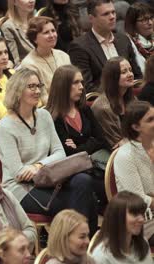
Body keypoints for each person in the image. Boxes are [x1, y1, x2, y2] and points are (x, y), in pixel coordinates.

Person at [0, 68, 98, 235]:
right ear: (17, 91)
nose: (37, 91)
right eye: (31, 87)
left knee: (84, 182)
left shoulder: (44, 115)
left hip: (49, 178)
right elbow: (18, 173)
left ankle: (84, 244)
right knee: (72, 202)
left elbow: (60, 153)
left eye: (38, 86)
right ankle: (71, 245)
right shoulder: (6, 127)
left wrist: (37, 166)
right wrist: (39, 169)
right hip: (21, 188)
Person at [46, 65, 110, 208]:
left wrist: (79, 146)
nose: (81, 87)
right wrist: (89, 142)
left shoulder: (84, 109)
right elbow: (68, 154)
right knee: (100, 183)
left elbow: (102, 140)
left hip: (95, 165)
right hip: (73, 173)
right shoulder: (53, 117)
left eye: (81, 82)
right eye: (75, 83)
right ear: (63, 86)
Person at [68, 0, 142, 92]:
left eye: (113, 12)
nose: (112, 17)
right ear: (91, 18)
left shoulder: (123, 40)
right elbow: (86, 86)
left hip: (130, 96)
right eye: (106, 14)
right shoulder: (80, 46)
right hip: (102, 102)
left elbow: (137, 76)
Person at [92, 191, 153, 264]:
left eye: (142, 214)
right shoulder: (101, 257)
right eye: (135, 214)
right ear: (117, 217)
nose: (141, 219)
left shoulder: (143, 242)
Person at [114, 101, 154, 211]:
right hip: (141, 217)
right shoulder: (125, 156)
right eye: (150, 120)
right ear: (136, 127)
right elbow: (138, 199)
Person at [91, 56, 136, 149]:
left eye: (130, 70)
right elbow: (117, 143)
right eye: (124, 72)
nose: (130, 74)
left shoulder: (132, 98)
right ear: (113, 77)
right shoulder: (102, 107)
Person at [20, 16, 71, 93]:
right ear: (34, 38)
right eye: (46, 32)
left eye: (53, 31)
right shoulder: (29, 64)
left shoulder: (63, 56)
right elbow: (40, 96)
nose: (52, 35)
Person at [1, 0, 35, 66]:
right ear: (14, 2)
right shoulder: (8, 27)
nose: (31, 1)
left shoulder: (36, 21)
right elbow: (16, 62)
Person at [124, 2, 153, 73]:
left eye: (151, 18)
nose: (150, 23)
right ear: (133, 24)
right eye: (144, 20)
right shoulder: (127, 43)